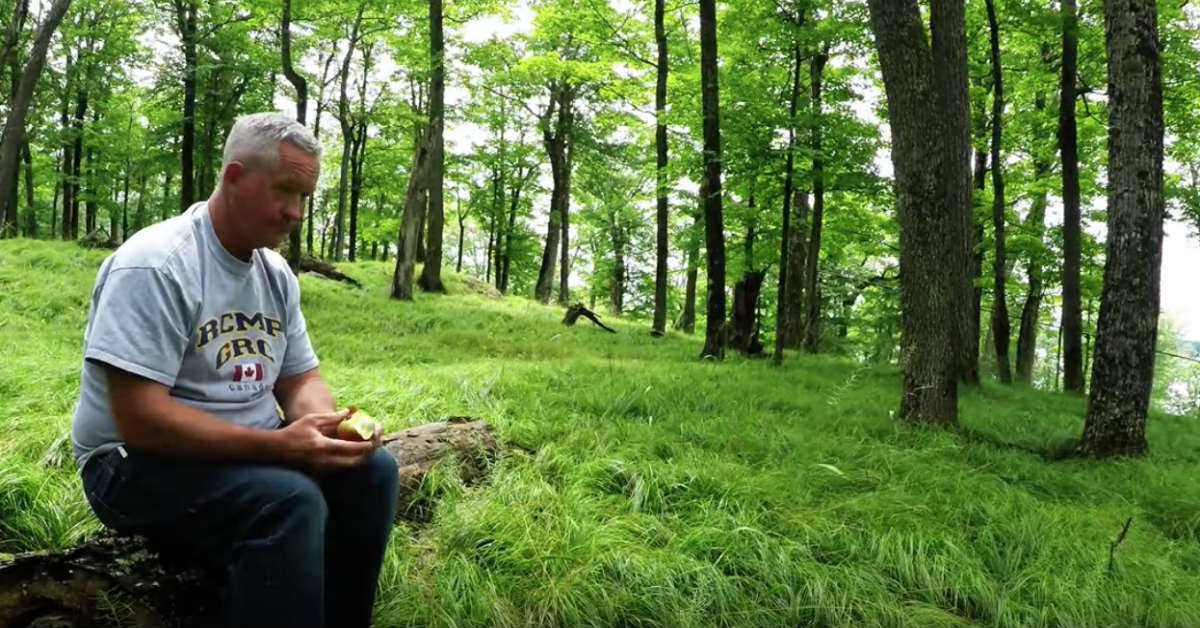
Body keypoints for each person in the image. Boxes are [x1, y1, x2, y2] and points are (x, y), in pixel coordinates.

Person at [70, 112, 400, 628]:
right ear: (234, 177)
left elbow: (300, 380)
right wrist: (279, 447)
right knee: (288, 501)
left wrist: (325, 427)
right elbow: (141, 421)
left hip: (240, 452)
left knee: (374, 472)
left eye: (304, 198)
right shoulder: (157, 264)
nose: (295, 212)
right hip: (129, 465)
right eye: (284, 191)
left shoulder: (275, 275)